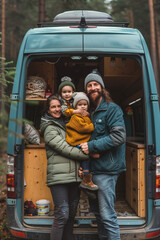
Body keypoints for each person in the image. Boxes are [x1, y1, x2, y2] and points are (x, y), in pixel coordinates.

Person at [80, 70, 126, 240]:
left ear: (102, 87)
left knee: (107, 215)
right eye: (89, 85)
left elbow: (119, 136)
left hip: (107, 170)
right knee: (98, 215)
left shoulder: (112, 109)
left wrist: (92, 147)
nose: (92, 88)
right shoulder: (90, 113)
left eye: (95, 84)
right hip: (93, 172)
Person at [40, 94, 89, 240]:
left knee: (71, 214)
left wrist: (81, 166)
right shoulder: (49, 128)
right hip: (59, 178)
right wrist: (89, 154)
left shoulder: (66, 123)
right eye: (52, 107)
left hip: (74, 177)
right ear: (48, 110)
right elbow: (65, 148)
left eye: (58, 106)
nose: (56, 109)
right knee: (62, 214)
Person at [66, 92, 98, 191]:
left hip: (82, 141)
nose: (82, 107)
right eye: (80, 105)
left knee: (90, 156)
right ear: (75, 107)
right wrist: (94, 126)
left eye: (85, 104)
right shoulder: (75, 117)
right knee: (86, 157)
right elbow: (83, 128)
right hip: (76, 142)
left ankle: (86, 175)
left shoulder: (85, 116)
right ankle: (86, 177)